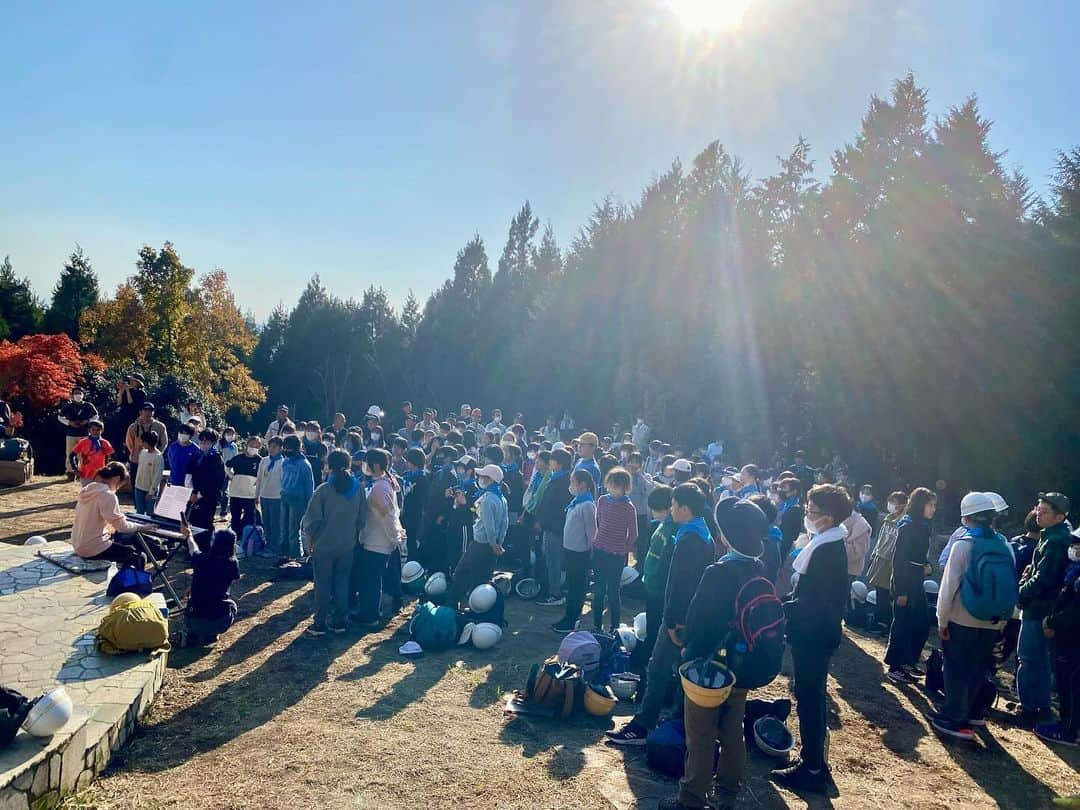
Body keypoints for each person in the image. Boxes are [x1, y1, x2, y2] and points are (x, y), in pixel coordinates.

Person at [659, 496, 769, 810]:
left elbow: (697, 621)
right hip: (743, 663)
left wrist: (686, 648)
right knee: (733, 729)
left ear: (726, 537)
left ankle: (692, 797)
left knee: (701, 732)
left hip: (710, 668)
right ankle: (728, 791)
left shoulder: (718, 573)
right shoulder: (759, 568)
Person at [609, 484, 715, 747]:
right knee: (682, 671)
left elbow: (680, 586)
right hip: (694, 616)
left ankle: (643, 725)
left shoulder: (688, 539)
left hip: (678, 619)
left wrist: (672, 623)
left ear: (684, 508)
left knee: (657, 669)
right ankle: (677, 723)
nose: (671, 509)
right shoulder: (703, 532)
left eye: (675, 505)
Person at [771, 484, 850, 794]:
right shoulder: (826, 542)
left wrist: (780, 607)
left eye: (811, 510)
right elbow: (808, 592)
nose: (807, 514)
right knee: (811, 696)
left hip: (815, 635)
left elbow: (814, 603)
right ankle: (814, 761)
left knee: (810, 698)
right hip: (816, 631)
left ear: (828, 517)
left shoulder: (829, 550)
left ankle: (813, 768)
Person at [931, 492, 1010, 740]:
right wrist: (1003, 621)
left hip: (961, 619)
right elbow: (1009, 586)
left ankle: (954, 718)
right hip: (991, 621)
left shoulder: (963, 544)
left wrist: (942, 620)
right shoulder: (1004, 545)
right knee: (976, 668)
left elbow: (948, 587)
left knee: (955, 668)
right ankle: (970, 714)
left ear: (967, 516)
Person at [1017, 492, 1073, 725]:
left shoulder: (1056, 540)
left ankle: (1030, 708)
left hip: (1039, 609)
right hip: (1043, 608)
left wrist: (1020, 592)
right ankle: (1040, 706)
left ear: (1060, 517)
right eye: (1038, 508)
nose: (1039, 513)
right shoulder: (1049, 535)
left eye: (1045, 511)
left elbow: (1045, 578)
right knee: (1039, 660)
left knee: (1029, 658)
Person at [303, 449, 367, 635]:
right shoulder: (358, 488)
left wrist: (309, 544)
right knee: (342, 583)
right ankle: (340, 621)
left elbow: (311, 521)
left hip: (324, 544)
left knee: (323, 584)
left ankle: (320, 623)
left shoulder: (324, 490)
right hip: (348, 544)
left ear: (329, 466)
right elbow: (362, 519)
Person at [884, 487, 936, 684]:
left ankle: (908, 661)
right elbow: (898, 560)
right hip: (905, 581)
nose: (932, 509)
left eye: (934, 505)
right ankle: (895, 665)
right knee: (902, 624)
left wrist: (926, 566)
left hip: (917, 580)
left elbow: (920, 556)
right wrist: (901, 591)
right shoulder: (907, 525)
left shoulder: (923, 525)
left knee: (921, 624)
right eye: (930, 505)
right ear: (920, 504)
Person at [1035, 528, 1080, 745]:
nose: (1074, 548)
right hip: (1069, 637)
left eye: (1078, 544)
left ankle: (1068, 729)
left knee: (1070, 684)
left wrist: (1052, 622)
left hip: (1073, 641)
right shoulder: (1073, 572)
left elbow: (1075, 612)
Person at [352, 449, 405, 624]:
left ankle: (370, 616)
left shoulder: (379, 488)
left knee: (371, 581)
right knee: (373, 580)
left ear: (375, 465)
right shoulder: (384, 483)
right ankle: (372, 612)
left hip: (377, 542)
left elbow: (387, 517)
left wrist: (394, 538)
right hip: (378, 540)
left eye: (366, 462)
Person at [71, 462, 157, 567]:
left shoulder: (90, 489)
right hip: (92, 548)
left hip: (79, 544)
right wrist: (143, 527)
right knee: (138, 557)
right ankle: (130, 582)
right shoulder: (107, 495)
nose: (118, 488)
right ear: (116, 479)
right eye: (121, 485)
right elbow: (122, 527)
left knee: (126, 540)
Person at [451, 464, 508, 608]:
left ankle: (451, 605)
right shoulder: (501, 498)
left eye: (483, 476)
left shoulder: (488, 499)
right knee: (482, 579)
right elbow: (504, 523)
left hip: (481, 543)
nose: (479, 479)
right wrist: (498, 543)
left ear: (490, 480)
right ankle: (480, 609)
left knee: (461, 573)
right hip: (492, 545)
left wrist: (493, 543)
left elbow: (489, 526)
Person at [591, 468, 638, 632]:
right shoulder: (602, 500)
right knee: (598, 589)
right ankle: (596, 625)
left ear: (624, 487)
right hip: (599, 550)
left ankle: (615, 627)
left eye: (616, 486)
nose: (613, 489)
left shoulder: (628, 507)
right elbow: (598, 521)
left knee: (613, 591)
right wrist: (599, 541)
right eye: (610, 485)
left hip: (616, 555)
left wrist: (623, 548)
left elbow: (633, 533)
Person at [552, 469, 597, 633]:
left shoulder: (587, 505)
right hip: (571, 550)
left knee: (577, 588)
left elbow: (592, 532)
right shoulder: (577, 501)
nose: (570, 485)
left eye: (573, 482)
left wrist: (591, 554)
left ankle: (572, 619)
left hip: (580, 553)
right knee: (572, 586)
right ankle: (568, 617)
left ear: (582, 485)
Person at [183, 526, 240, 645]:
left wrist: (189, 535)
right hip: (219, 621)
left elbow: (193, 549)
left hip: (193, 620)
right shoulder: (232, 564)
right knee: (232, 605)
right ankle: (212, 634)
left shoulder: (201, 559)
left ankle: (195, 633)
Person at [865, 492, 908, 632]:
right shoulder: (888, 519)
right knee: (879, 591)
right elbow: (880, 539)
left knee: (885, 594)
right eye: (890, 501)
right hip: (880, 557)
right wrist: (874, 554)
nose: (891, 505)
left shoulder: (904, 522)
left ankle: (885, 622)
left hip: (890, 561)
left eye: (894, 502)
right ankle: (879, 619)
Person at [536, 448, 573, 605]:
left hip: (555, 528)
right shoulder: (556, 478)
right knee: (551, 558)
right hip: (550, 527)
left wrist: (543, 522)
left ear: (559, 463)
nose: (549, 462)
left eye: (552, 460)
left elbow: (556, 509)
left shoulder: (564, 482)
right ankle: (555, 588)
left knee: (553, 560)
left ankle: (555, 593)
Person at [279, 434, 315, 562]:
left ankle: (295, 556)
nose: (286, 450)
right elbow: (282, 479)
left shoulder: (304, 464)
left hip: (298, 500)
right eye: (285, 447)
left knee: (293, 530)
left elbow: (309, 486)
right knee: (283, 528)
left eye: (289, 448)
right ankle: (283, 555)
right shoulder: (285, 461)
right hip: (284, 496)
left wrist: (309, 505)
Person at [187, 430, 227, 533]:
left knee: (205, 522)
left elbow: (218, 480)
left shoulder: (216, 458)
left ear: (213, 442)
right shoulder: (196, 455)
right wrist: (193, 492)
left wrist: (201, 493)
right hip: (194, 494)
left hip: (209, 496)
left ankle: (206, 545)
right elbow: (190, 474)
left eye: (207, 441)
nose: (204, 443)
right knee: (192, 520)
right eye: (202, 440)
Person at [58, 386, 98, 481]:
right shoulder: (68, 406)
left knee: (84, 454)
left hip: (84, 433)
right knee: (70, 454)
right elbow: (60, 417)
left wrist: (87, 421)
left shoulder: (88, 405)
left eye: (80, 393)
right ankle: (70, 473)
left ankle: (83, 472)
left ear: (83, 394)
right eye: (76, 393)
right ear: (72, 395)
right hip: (71, 433)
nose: (78, 395)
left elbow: (96, 415)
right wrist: (69, 423)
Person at [226, 436, 262, 537]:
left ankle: (246, 538)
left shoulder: (260, 460)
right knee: (235, 517)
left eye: (256, 446)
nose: (254, 447)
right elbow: (227, 465)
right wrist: (231, 476)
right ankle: (234, 538)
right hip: (235, 493)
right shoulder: (238, 458)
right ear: (247, 444)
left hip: (250, 495)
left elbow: (262, 477)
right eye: (252, 445)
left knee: (249, 517)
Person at [256, 436, 285, 556]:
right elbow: (259, 479)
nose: (271, 449)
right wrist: (256, 495)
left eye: (275, 447)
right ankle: (268, 545)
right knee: (266, 522)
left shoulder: (283, 462)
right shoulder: (264, 460)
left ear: (280, 448)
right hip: (264, 496)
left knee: (275, 524)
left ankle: (275, 547)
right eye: (270, 446)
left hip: (277, 497)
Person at [124, 402, 167, 482]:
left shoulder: (160, 426)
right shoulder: (133, 427)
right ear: (140, 412)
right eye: (146, 410)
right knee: (136, 483)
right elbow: (129, 443)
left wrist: (156, 454)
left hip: (153, 460)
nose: (149, 413)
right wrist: (135, 453)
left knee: (151, 482)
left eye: (151, 410)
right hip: (137, 460)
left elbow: (164, 443)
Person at [71, 419, 113, 485]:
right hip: (85, 474)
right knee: (86, 494)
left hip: (100, 475)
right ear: (89, 430)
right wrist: (75, 469)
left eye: (98, 430)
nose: (95, 432)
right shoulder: (83, 442)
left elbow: (111, 457)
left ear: (102, 431)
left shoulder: (105, 443)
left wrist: (108, 469)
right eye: (93, 429)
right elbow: (72, 455)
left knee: (99, 494)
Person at [132, 432, 164, 516]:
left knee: (150, 513)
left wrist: (151, 492)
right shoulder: (142, 452)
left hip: (150, 491)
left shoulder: (158, 457)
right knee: (139, 512)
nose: (141, 443)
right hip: (138, 488)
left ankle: (149, 529)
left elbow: (158, 477)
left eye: (142, 441)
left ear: (147, 442)